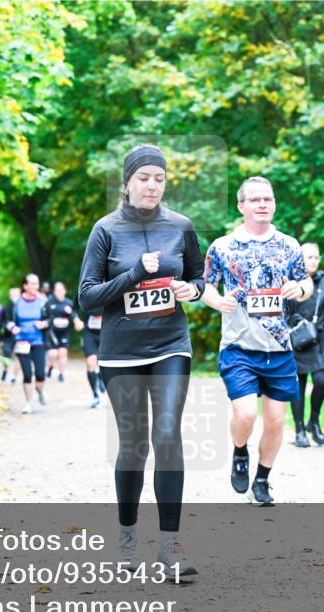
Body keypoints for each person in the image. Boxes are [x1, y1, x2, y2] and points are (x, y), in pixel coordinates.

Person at [78, 143, 205, 576]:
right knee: (134, 445)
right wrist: (134, 275)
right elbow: (87, 297)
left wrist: (193, 290)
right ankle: (127, 539)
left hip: (171, 343)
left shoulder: (182, 226)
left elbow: (198, 276)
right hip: (122, 351)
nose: (152, 185)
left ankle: (170, 548)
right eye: (144, 178)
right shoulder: (106, 230)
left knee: (167, 436)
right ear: (128, 182)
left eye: (160, 179)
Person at [201, 176, 313, 506]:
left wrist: (299, 289)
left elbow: (306, 283)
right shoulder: (222, 246)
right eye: (254, 199)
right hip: (238, 347)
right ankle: (240, 452)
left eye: (267, 199)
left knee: (276, 421)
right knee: (247, 414)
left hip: (279, 348)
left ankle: (262, 480)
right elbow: (205, 285)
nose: (262, 204)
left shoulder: (289, 245)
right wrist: (218, 302)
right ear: (241, 206)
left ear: (274, 204)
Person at [285, 243, 324, 447]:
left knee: (321, 380)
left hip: (319, 340)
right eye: (309, 257)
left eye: (316, 257)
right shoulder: (290, 281)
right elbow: (282, 312)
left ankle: (314, 421)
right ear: (300, 259)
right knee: (298, 387)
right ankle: (299, 431)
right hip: (296, 340)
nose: (313, 261)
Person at [9, 274, 49, 414]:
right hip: (22, 341)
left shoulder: (42, 301)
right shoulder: (16, 302)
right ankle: (28, 403)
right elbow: (6, 320)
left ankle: (39, 389)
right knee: (27, 374)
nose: (35, 286)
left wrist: (44, 323)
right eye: (32, 283)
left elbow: (51, 318)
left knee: (40, 374)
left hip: (38, 341)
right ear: (25, 286)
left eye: (37, 283)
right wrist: (12, 327)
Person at [44, 282, 79, 383]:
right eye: (57, 290)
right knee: (53, 354)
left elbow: (74, 315)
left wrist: (71, 314)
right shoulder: (49, 302)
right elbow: (44, 316)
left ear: (65, 291)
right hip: (52, 332)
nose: (59, 292)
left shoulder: (69, 303)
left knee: (62, 353)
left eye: (61, 290)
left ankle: (61, 374)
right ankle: (51, 366)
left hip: (64, 332)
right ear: (54, 292)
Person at [81, 306, 105, 408]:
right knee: (91, 363)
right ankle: (95, 395)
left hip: (106, 334)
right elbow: (73, 308)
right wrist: (76, 319)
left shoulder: (110, 295)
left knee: (105, 364)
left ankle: (101, 377)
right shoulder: (87, 294)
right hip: (89, 334)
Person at [0, 287, 21, 384]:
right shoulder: (6, 307)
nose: (14, 297)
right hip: (8, 336)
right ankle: (5, 370)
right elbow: (2, 321)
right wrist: (9, 326)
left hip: (20, 336)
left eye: (15, 295)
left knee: (19, 355)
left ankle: (14, 377)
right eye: (12, 295)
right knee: (6, 353)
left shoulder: (24, 307)